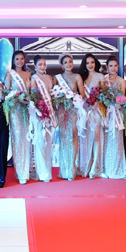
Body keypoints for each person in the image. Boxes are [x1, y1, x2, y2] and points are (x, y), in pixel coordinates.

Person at [103, 56, 126, 180]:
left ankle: (116, 167)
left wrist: (117, 103)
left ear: (118, 67)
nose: (113, 68)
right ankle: (105, 167)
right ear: (107, 67)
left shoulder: (121, 81)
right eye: (110, 66)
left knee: (117, 140)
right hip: (106, 112)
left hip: (118, 113)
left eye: (115, 66)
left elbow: (122, 98)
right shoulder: (103, 80)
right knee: (106, 140)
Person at [53, 52, 83, 181]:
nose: (68, 64)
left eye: (70, 62)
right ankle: (64, 168)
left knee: (73, 135)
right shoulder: (57, 78)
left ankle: (72, 167)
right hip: (62, 109)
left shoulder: (77, 77)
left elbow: (82, 94)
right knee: (64, 137)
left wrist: (73, 98)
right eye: (65, 62)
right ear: (62, 65)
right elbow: (54, 94)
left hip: (73, 109)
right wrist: (61, 98)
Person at [4, 50, 32, 185]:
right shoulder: (10, 74)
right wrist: (16, 99)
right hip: (15, 111)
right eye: (17, 59)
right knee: (17, 138)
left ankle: (26, 171)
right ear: (13, 60)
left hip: (26, 110)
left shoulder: (28, 74)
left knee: (26, 139)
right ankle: (20, 172)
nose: (19, 61)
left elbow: (31, 92)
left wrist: (29, 99)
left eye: (22, 59)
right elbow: (6, 94)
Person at [78, 53, 105, 179]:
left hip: (96, 111)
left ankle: (95, 167)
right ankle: (86, 165)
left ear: (95, 63)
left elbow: (105, 94)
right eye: (87, 63)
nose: (90, 65)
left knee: (96, 138)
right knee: (85, 139)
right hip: (84, 111)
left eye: (92, 62)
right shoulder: (81, 77)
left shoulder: (100, 76)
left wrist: (97, 103)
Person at [30, 55, 56, 182]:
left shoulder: (49, 78)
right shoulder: (34, 79)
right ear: (35, 66)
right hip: (39, 114)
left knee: (48, 142)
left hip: (49, 113)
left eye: (44, 64)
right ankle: (42, 172)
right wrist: (39, 110)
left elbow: (52, 95)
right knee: (40, 141)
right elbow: (33, 97)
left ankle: (47, 170)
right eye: (40, 64)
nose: (42, 67)